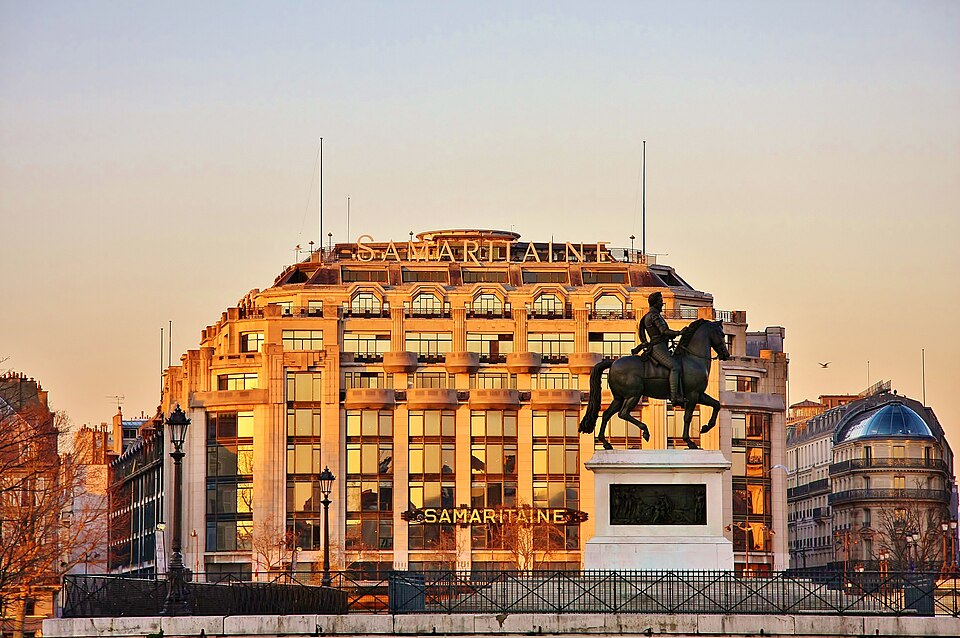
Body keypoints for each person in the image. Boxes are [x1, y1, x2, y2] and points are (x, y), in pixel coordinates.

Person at [631, 291, 685, 405]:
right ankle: (675, 397)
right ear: (655, 303)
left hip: (660, 346)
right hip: (658, 347)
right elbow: (664, 331)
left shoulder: (649, 316)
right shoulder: (654, 316)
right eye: (660, 301)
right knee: (675, 367)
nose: (662, 303)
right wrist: (679, 332)